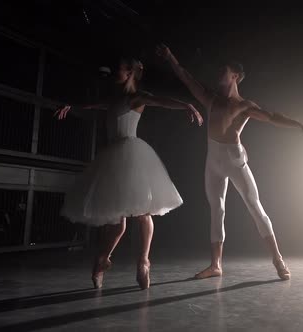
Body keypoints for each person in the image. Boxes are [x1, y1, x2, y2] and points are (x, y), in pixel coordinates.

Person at [156, 44, 303, 280]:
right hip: (213, 162)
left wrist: (300, 125)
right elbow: (186, 77)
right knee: (217, 209)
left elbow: (273, 117)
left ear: (235, 76)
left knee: (255, 207)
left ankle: (278, 260)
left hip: (235, 160)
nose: (218, 74)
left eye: (223, 71)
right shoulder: (211, 99)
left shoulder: (244, 105)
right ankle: (216, 265)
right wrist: (170, 56)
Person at [55, 58, 203, 290]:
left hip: (133, 155)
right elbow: (96, 105)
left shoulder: (138, 97)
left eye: (120, 68)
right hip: (113, 158)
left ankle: (143, 260)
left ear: (131, 73)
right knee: (117, 223)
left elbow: (161, 101)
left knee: (144, 212)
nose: (116, 71)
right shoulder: (114, 97)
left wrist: (186, 105)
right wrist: (72, 106)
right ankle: (102, 259)